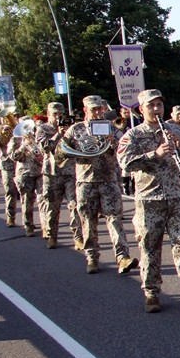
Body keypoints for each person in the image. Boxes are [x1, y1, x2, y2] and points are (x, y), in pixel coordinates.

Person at [117, 89, 180, 318]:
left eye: (159, 105)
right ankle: (151, 291)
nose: (155, 109)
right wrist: (155, 153)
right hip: (149, 200)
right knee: (150, 248)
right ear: (141, 109)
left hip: (178, 198)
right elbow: (125, 163)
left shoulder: (176, 129)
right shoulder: (132, 135)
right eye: (150, 106)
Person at [60, 95, 134, 275]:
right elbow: (60, 153)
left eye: (100, 109)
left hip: (109, 180)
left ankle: (122, 257)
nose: (98, 112)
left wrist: (113, 140)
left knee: (114, 218)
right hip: (86, 181)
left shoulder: (111, 126)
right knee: (88, 220)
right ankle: (92, 256)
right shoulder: (75, 130)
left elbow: (124, 148)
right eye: (94, 109)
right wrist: (77, 150)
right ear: (85, 110)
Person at [36, 102, 82, 250]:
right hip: (52, 173)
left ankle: (78, 237)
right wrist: (58, 134)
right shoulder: (43, 129)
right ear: (48, 114)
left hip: (70, 172)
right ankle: (52, 235)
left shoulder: (72, 129)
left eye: (60, 114)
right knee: (52, 207)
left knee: (74, 205)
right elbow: (45, 147)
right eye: (55, 114)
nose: (58, 117)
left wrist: (69, 133)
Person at [7, 118, 44, 237]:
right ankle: (28, 225)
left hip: (39, 171)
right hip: (24, 173)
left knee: (43, 199)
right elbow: (13, 156)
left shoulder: (37, 136)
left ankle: (46, 227)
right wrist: (23, 146)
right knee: (27, 200)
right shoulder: (15, 139)